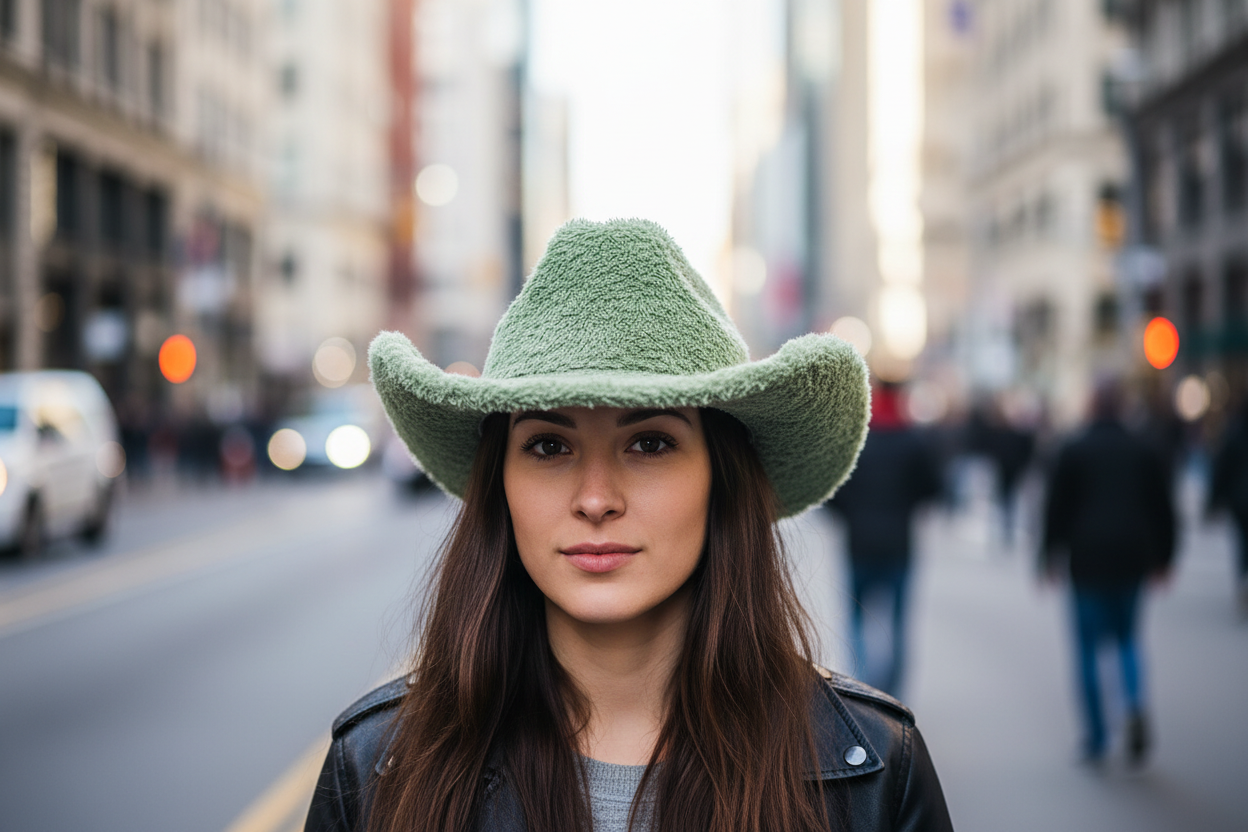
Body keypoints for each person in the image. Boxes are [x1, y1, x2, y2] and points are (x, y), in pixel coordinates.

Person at [305, 219, 953, 832]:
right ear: (498, 484)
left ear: (720, 479)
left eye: (649, 444)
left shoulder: (875, 776)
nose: (595, 498)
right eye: (549, 447)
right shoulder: (375, 772)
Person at [1041, 381, 1176, 767]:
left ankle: (1097, 736)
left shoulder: (1074, 448)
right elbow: (1162, 506)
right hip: (1132, 556)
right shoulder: (1143, 448)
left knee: (1087, 648)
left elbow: (1056, 507)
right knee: (1128, 637)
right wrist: (1165, 556)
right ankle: (1134, 702)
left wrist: (1048, 555)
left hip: (1087, 558)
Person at [824, 382, 942, 696]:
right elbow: (932, 488)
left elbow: (832, 495)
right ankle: (894, 696)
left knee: (857, 622)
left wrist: (852, 514)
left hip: (859, 545)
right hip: (898, 545)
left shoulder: (856, 441)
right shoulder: (913, 441)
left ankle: (862, 689)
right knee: (898, 624)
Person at [1207, 404, 1248, 616]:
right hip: (1240, 501)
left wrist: (1213, 501)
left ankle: (1243, 582)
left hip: (1240, 501)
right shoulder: (1234, 435)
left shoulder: (1234, 433)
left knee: (1242, 544)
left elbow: (1222, 468)